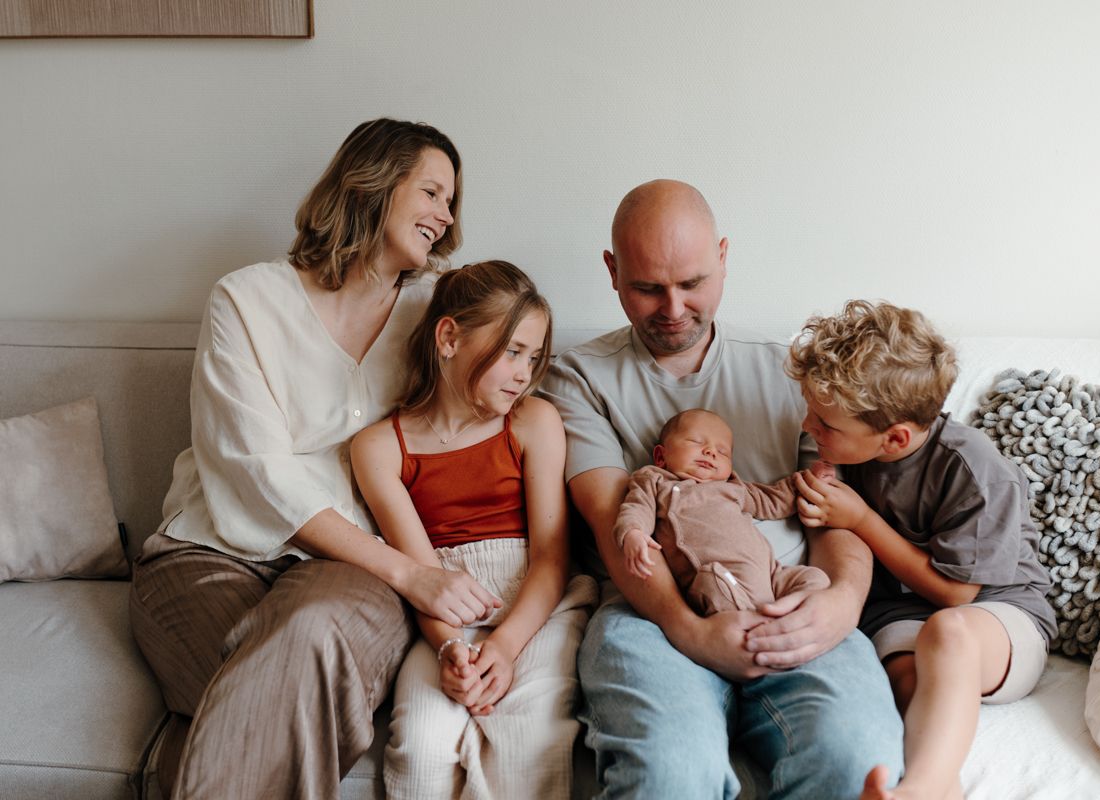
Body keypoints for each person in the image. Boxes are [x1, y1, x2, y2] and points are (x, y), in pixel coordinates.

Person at [129, 119, 504, 800]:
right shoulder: (245, 300)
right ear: (375, 184)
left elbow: (510, 379)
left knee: (304, 640)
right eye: (432, 192)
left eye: (451, 202)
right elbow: (254, 471)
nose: (447, 219)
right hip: (205, 557)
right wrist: (412, 574)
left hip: (344, 572)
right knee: (281, 681)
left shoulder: (435, 320)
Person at [539, 179, 904, 798]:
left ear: (725, 259)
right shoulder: (577, 380)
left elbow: (837, 513)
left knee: (856, 761)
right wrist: (690, 629)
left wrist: (840, 607)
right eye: (648, 287)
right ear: (611, 271)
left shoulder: (794, 374)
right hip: (653, 616)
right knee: (669, 775)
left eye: (693, 283)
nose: (674, 309)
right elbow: (614, 527)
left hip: (789, 604)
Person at [787, 300, 1055, 800]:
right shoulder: (841, 448)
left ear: (895, 438)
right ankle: (939, 788)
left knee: (947, 634)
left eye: (824, 424)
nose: (808, 426)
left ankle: (920, 792)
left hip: (997, 615)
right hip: (901, 616)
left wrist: (861, 519)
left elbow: (956, 595)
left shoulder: (971, 470)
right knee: (911, 689)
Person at [351, 259, 597, 799]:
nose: (523, 373)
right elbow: (422, 575)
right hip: (441, 614)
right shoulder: (380, 448)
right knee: (420, 744)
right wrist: (450, 653)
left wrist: (505, 648)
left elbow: (552, 558)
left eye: (533, 358)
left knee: (525, 740)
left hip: (536, 605)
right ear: (448, 337)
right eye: (511, 352)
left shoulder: (533, 422)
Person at [615, 407, 831, 614]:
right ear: (661, 457)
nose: (710, 452)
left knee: (816, 579)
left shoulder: (734, 488)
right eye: (696, 442)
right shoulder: (656, 480)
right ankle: (760, 624)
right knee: (714, 587)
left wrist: (810, 481)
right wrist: (633, 533)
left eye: (722, 451)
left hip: (771, 575)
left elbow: (775, 499)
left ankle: (788, 617)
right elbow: (637, 507)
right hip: (719, 576)